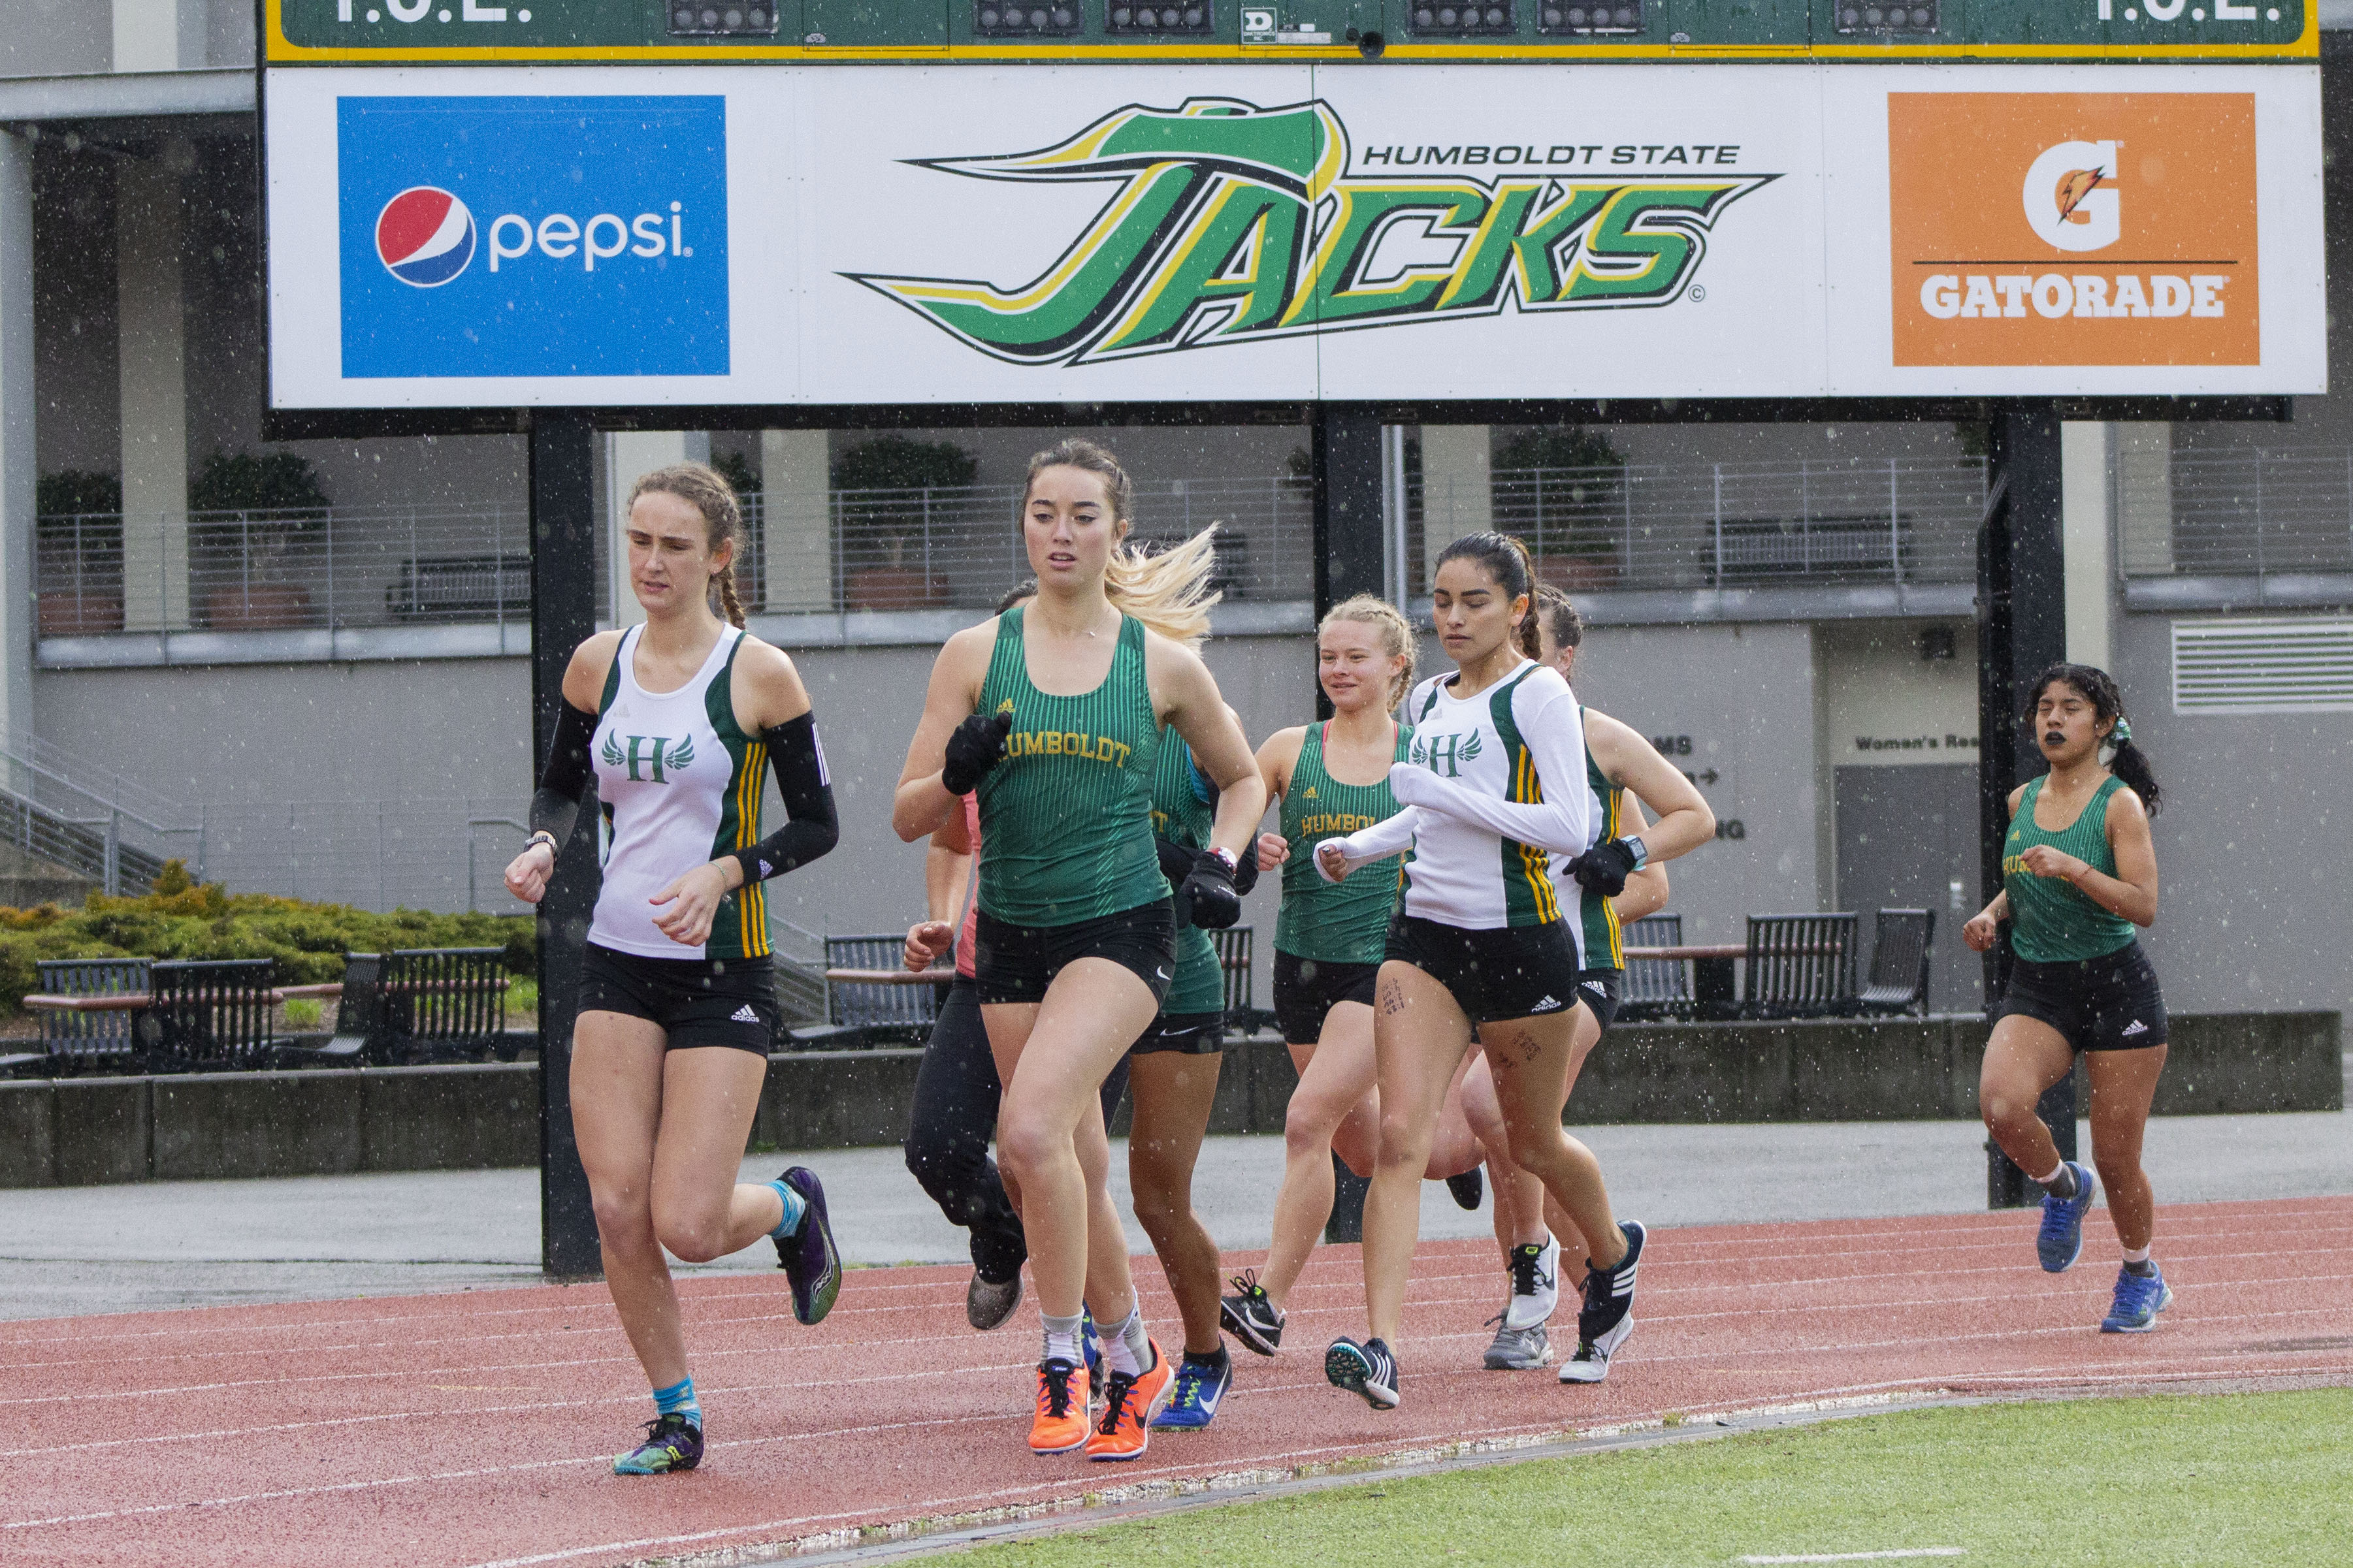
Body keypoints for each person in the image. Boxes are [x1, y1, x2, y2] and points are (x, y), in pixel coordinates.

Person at [892, 439, 1265, 1461]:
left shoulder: (1161, 664)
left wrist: (1219, 861)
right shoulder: (974, 654)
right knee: (1062, 1164)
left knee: (1025, 1132)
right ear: (1023, 523)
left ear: (1115, 532)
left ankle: (1064, 1358)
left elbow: (1243, 779)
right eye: (1043, 513)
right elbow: (909, 815)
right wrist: (955, 770)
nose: (1060, 533)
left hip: (1121, 927)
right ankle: (1134, 1352)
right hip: (1011, 934)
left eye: (1083, 515)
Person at [503, 463, 843, 1477]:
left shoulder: (759, 674)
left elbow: (818, 824)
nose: (651, 562)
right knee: (617, 1208)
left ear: (719, 556)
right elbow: (561, 787)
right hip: (617, 961)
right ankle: (675, 1413)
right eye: (639, 541)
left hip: (722, 968)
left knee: (687, 1224)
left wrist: (726, 872)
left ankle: (789, 1207)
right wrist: (543, 844)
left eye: (674, 546)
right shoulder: (595, 664)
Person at [1310, 532, 1643, 1408]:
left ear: (1518, 609)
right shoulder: (1425, 699)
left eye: (1474, 602)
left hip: (1520, 941)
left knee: (1529, 1142)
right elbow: (1424, 816)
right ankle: (1381, 1348)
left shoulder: (1536, 696)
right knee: (1399, 1138)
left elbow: (1571, 826)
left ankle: (1611, 1255)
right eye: (1441, 601)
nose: (1452, 618)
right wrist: (1359, 845)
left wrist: (1444, 796)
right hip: (1423, 937)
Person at [1218, 594, 1493, 1363]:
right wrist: (1251, 852)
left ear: (1395, 667)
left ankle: (1267, 1301)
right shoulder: (1288, 749)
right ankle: (1463, 1154)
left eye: (1354, 657)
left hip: (1384, 967)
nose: (1336, 669)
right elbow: (1230, 831)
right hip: (1300, 967)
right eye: (1327, 657)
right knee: (1369, 1153)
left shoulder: (1422, 753)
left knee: (1305, 1120)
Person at [1463, 584, 1713, 1373]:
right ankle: (1601, 1277)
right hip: (1483, 966)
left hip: (1575, 970)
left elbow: (1670, 853)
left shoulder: (1593, 739)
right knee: (1449, 1144)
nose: (1508, 660)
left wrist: (1617, 860)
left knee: (1497, 1117)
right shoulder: (1471, 731)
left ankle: (1538, 1280)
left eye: (1527, 644)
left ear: (1564, 659)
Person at [900, 583, 1131, 1334]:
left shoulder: (1117, 719)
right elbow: (944, 838)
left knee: (1054, 1157)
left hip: (1094, 971)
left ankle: (1098, 1338)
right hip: (991, 968)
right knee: (937, 1149)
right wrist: (943, 917)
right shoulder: (981, 732)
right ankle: (1002, 1233)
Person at [1966, 662, 2170, 1333]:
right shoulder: (2019, 801)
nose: (2053, 718)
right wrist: (1993, 912)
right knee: (2001, 1105)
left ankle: (2140, 1272)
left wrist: (2076, 867)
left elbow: (2143, 905)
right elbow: (2028, 877)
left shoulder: (2118, 805)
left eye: (2071, 708)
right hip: (2040, 984)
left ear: (2103, 725)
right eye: (2044, 707)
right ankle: (2062, 1186)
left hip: (2117, 988)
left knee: (2117, 1158)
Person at [1129, 722, 1259, 1430]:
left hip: (1175, 980)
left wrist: (1200, 861)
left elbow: (1240, 869)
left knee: (1158, 1198)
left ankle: (1205, 1355)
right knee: (1041, 1164)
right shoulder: (1046, 707)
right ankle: (1100, 1336)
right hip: (1069, 971)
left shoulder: (1192, 722)